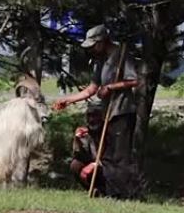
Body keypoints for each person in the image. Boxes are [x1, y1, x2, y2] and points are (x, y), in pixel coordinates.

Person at [53, 24, 141, 199]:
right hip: (107, 112)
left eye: (94, 45)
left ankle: (124, 195)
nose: (92, 49)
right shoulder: (100, 60)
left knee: (119, 157)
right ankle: (110, 193)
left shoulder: (121, 56)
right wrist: (68, 100)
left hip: (122, 111)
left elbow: (135, 80)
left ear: (103, 41)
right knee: (108, 157)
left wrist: (110, 87)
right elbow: (91, 89)